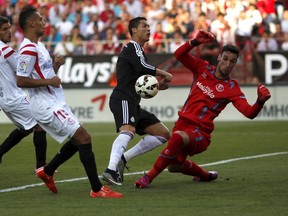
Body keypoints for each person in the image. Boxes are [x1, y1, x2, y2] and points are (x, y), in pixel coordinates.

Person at [134, 29, 271, 188]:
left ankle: (147, 178)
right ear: (219, 57)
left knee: (177, 138)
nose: (227, 64)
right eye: (225, 59)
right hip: (182, 124)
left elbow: (249, 113)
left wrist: (260, 102)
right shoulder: (202, 68)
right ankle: (205, 175)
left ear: (235, 63)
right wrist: (194, 42)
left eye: (232, 61)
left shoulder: (232, 87)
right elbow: (179, 55)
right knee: (174, 166)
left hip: (200, 133)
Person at [16, 6, 122, 198]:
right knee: (84, 137)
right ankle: (97, 189)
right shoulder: (27, 49)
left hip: (55, 100)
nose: (44, 23)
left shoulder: (38, 46)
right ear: (31, 23)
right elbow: (21, 80)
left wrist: (55, 66)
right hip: (45, 104)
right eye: (40, 19)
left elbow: (43, 74)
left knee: (77, 140)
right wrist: (50, 80)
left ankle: (47, 171)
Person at [102, 17, 173, 186]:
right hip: (123, 98)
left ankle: (123, 158)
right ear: (134, 30)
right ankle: (111, 170)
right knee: (128, 131)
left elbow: (140, 80)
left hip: (132, 101)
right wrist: (164, 74)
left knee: (163, 134)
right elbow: (142, 67)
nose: (149, 29)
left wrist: (156, 86)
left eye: (149, 26)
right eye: (145, 26)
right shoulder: (132, 47)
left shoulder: (139, 51)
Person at [0, 15, 47, 169]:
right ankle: (41, 166)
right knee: (40, 123)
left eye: (9, 28)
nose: (10, 31)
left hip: (4, 99)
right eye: (5, 29)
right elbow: (22, 71)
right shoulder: (6, 50)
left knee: (26, 129)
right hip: (14, 98)